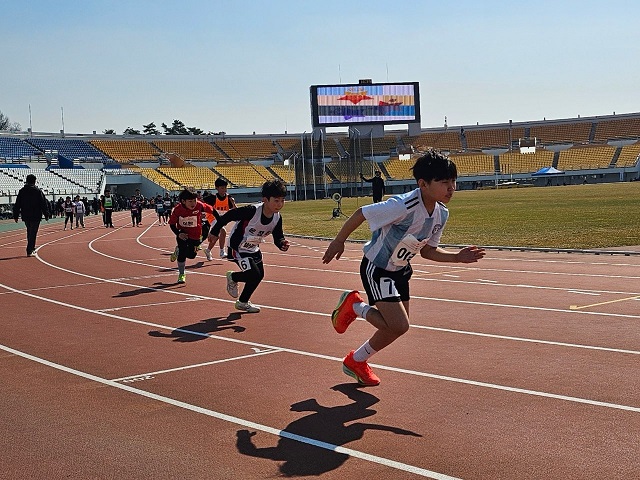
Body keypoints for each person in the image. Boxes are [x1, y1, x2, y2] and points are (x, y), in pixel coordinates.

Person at [322, 150, 486, 386]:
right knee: (399, 325)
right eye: (444, 182)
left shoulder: (441, 213)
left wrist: (457, 258)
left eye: (453, 182)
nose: (451, 188)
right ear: (423, 184)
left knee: (397, 328)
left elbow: (428, 251)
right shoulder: (403, 205)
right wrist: (339, 241)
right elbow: (361, 213)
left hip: (400, 270)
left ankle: (356, 361)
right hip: (377, 268)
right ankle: (354, 306)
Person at [209, 179, 290, 313]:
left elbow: (278, 236)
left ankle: (242, 302)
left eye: (282, 200)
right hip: (237, 247)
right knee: (253, 274)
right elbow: (229, 215)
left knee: (259, 276)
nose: (279, 204)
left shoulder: (277, 217)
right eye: (276, 200)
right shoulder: (252, 211)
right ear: (265, 199)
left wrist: (282, 243)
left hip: (253, 248)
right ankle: (233, 277)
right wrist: (214, 230)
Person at [168, 188, 218, 284]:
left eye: (194, 200)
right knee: (183, 252)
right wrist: (178, 233)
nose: (193, 203)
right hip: (183, 234)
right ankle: (181, 274)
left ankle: (178, 250)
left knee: (192, 255)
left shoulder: (199, 205)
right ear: (183, 201)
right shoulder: (178, 210)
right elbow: (172, 224)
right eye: (190, 201)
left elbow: (213, 211)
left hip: (195, 235)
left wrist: (220, 222)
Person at [12, 173, 51, 257]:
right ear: (34, 181)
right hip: (36, 215)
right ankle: (30, 249)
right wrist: (46, 214)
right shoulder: (38, 191)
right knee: (33, 232)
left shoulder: (22, 191)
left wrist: (15, 215)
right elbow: (43, 203)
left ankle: (31, 247)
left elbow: (17, 204)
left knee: (29, 231)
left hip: (25, 215)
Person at [204, 178, 237, 260]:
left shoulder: (229, 198)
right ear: (217, 188)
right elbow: (203, 205)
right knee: (223, 231)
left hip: (222, 219)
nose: (224, 190)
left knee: (216, 236)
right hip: (212, 217)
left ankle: (208, 250)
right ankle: (222, 252)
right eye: (222, 188)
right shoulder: (212, 198)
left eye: (225, 188)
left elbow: (236, 211)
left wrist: (233, 203)